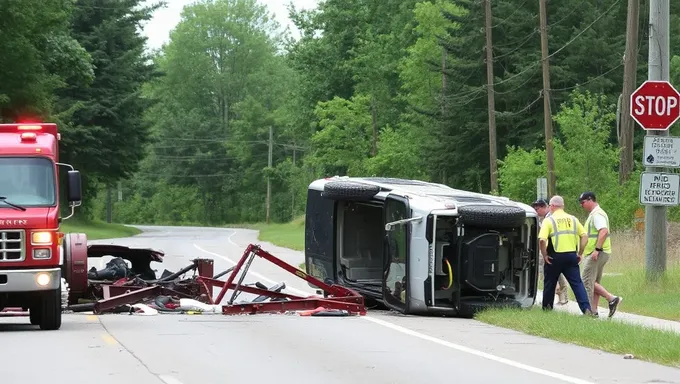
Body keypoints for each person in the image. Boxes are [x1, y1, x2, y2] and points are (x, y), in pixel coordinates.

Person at [538, 195, 594, 315]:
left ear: (552, 206)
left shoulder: (549, 220)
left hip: (554, 257)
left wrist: (544, 255)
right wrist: (580, 253)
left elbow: (542, 240)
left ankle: (547, 309)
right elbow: (584, 236)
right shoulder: (573, 219)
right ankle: (587, 309)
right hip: (571, 257)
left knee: (550, 283)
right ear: (562, 206)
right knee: (577, 284)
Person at [578, 191, 622, 318]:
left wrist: (596, 249)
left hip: (596, 253)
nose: (582, 205)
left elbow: (603, 231)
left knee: (586, 280)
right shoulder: (596, 214)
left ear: (590, 200)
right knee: (594, 281)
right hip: (600, 252)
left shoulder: (597, 214)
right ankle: (594, 310)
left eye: (583, 202)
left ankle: (608, 300)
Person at [532, 198, 569, 305]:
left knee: (551, 274)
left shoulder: (550, 218)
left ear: (545, 207)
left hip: (551, 249)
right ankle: (561, 296)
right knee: (553, 273)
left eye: (537, 208)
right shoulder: (542, 219)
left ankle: (555, 296)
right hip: (549, 249)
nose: (536, 210)